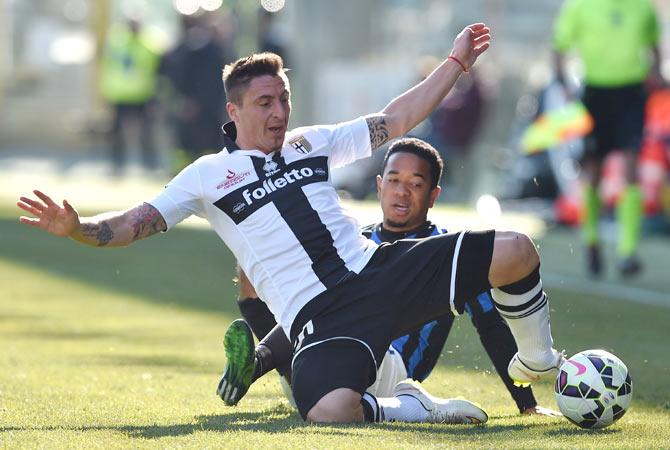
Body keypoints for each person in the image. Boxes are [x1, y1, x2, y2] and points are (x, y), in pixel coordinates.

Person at [18, 23, 564, 424]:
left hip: (379, 270)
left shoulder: (311, 142)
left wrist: (456, 63)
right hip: (318, 319)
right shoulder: (209, 175)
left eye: (284, 99)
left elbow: (396, 119)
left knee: (517, 250)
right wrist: (78, 227)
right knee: (330, 412)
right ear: (235, 112)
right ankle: (412, 407)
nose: (279, 112)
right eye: (264, 103)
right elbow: (135, 222)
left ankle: (539, 359)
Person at [218, 137, 560, 417]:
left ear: (433, 196)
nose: (401, 191)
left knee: (330, 313)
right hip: (321, 363)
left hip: (388, 370)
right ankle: (256, 363)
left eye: (415, 184)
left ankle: (258, 361)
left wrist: (526, 404)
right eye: (394, 181)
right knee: (290, 293)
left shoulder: (448, 255)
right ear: (380, 186)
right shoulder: (353, 243)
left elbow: (491, 326)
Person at [553, 0, 663, 277]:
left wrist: (656, 73)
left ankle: (628, 251)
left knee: (631, 168)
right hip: (595, 94)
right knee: (593, 171)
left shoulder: (643, 7)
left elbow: (653, 45)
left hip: (631, 94)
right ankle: (592, 243)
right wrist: (562, 82)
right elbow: (560, 45)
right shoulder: (580, 6)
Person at [99, 18, 162, 173]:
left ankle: (150, 165)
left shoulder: (149, 44)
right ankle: (117, 165)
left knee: (146, 134)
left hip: (142, 95)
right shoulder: (117, 43)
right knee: (116, 134)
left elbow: (157, 70)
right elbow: (107, 68)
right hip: (120, 95)